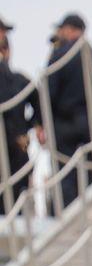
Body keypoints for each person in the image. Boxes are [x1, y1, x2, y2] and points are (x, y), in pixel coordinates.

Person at [42, 13, 92, 208]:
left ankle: (69, 216)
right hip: (90, 126)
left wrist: (40, 124)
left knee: (66, 177)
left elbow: (48, 95)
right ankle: (90, 213)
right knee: (91, 175)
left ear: (70, 30)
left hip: (64, 127)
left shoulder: (58, 56)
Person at [0, 22, 38, 194]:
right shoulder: (19, 81)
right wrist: (26, 129)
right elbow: (42, 104)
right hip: (16, 151)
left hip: (15, 152)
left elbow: (40, 104)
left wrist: (27, 127)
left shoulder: (19, 81)